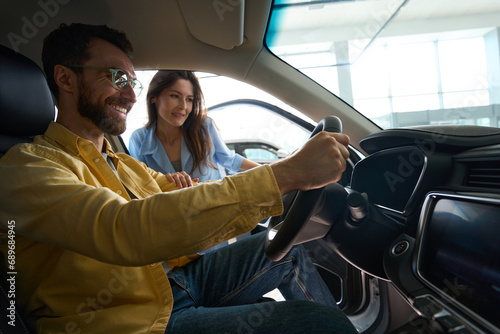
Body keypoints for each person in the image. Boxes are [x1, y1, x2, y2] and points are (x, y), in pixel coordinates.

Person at [0, 23, 356, 334]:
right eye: (116, 77)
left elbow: (185, 196)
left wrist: (287, 173)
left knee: (285, 247)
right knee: (322, 325)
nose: (128, 94)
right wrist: (286, 175)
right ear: (65, 79)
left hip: (174, 283)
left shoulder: (121, 162)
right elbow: (124, 228)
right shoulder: (25, 169)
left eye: (132, 83)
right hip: (128, 322)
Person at [129, 70, 260, 186]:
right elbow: (141, 185)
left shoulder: (205, 127)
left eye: (189, 99)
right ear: (154, 97)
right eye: (175, 96)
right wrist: (165, 181)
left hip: (213, 209)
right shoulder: (138, 139)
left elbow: (230, 160)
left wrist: (272, 172)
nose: (183, 107)